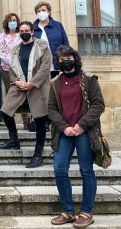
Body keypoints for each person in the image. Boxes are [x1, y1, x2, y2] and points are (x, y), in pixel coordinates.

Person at [49, 45, 105, 229]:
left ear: (75, 58)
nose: (65, 61)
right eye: (61, 59)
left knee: (86, 170)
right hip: (64, 133)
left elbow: (98, 105)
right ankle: (68, 211)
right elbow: (51, 109)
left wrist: (81, 125)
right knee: (59, 170)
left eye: (68, 57)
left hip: (84, 132)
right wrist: (64, 128)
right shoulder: (55, 82)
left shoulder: (88, 79)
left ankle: (87, 212)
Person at [0, 21, 51, 169]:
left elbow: (45, 67)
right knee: (5, 111)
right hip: (20, 85)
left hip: (37, 86)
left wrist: (32, 83)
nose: (24, 32)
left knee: (40, 120)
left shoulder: (42, 46)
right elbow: (11, 69)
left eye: (27, 30)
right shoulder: (15, 49)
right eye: (22, 31)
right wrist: (17, 82)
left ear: (32, 32)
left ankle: (38, 155)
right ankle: (14, 140)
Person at [0, 13, 29, 129]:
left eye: (15, 20)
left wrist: (18, 65)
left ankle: (26, 121)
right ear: (7, 22)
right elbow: (2, 53)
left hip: (20, 69)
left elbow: (24, 51)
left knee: (23, 93)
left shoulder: (21, 36)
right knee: (9, 93)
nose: (13, 22)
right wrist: (13, 64)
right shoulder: (3, 36)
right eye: (11, 20)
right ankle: (10, 122)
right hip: (6, 69)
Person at [33, 1, 69, 78]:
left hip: (57, 65)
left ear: (49, 12)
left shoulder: (58, 25)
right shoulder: (32, 28)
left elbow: (65, 44)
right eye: (38, 11)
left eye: (43, 10)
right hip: (40, 67)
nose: (41, 12)